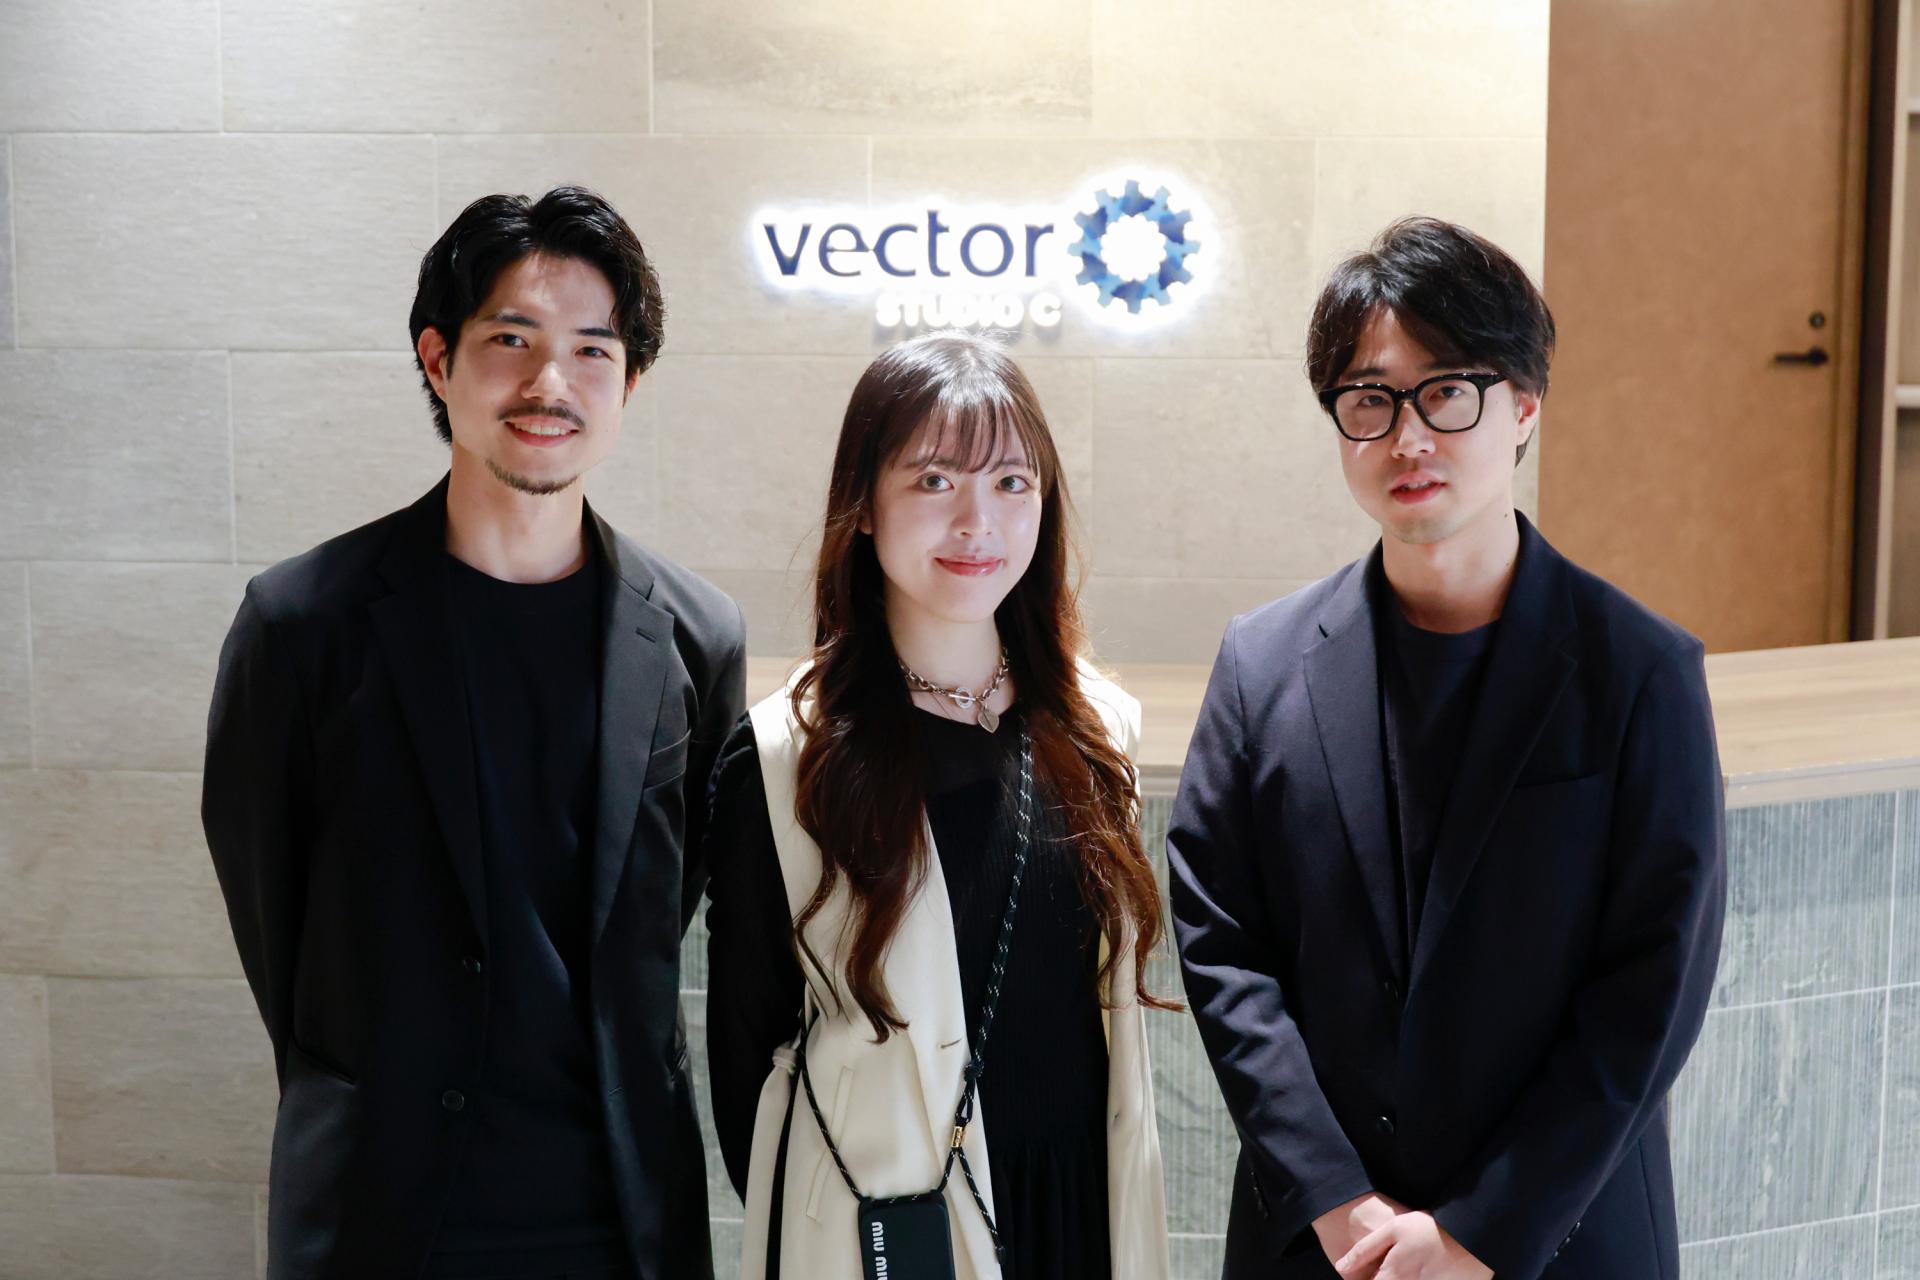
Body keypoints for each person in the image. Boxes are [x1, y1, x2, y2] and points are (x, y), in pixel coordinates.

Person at [1167, 217, 1727, 1280]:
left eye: (1448, 391)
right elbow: (1222, 945)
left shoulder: (1640, 671)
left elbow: (1652, 990)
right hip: (1324, 1243)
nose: (1408, 437)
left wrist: (1481, 1230)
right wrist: (1334, 1198)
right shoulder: (1260, 664)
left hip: (1558, 1236)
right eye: (1370, 400)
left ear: (1524, 405)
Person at [202, 186, 745, 1280]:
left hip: (622, 1216)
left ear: (630, 383)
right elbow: (274, 914)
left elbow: (673, 903)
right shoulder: (304, 624)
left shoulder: (697, 636)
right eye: (511, 339)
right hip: (382, 1210)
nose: (552, 383)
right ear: (438, 358)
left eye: (593, 350)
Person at [703, 331, 1172, 1279]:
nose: (977, 521)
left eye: (1011, 482)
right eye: (933, 481)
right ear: (863, 506)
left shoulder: (1096, 727)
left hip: (1079, 1208)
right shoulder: (788, 756)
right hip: (888, 1220)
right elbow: (747, 1056)